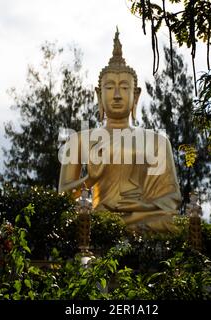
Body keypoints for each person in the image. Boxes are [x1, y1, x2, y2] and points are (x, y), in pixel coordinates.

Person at [58, 28, 181, 233]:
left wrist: (146, 205)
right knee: (75, 224)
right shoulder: (79, 140)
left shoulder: (157, 141)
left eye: (124, 87)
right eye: (109, 88)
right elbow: (62, 197)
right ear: (99, 94)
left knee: (168, 221)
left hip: (141, 217)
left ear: (136, 95)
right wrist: (90, 179)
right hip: (97, 218)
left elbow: (171, 198)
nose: (116, 95)